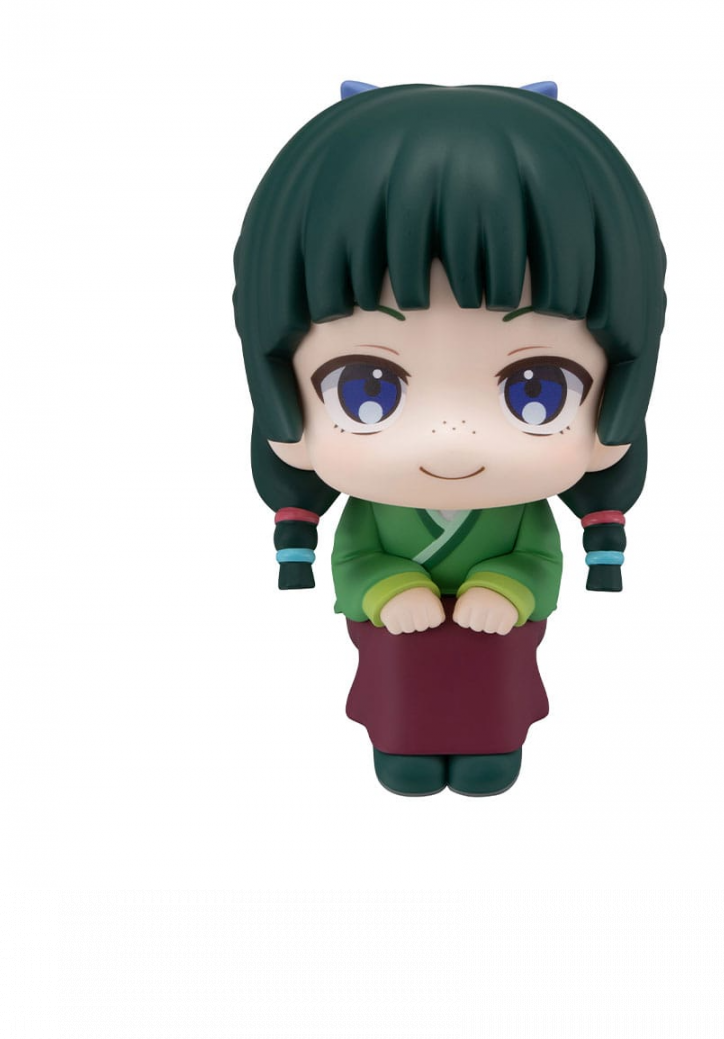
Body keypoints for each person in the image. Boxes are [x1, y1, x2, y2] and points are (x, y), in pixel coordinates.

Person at [233, 81, 666, 796]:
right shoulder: (375, 509)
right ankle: (402, 746)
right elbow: (355, 558)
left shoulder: (519, 510)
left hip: (497, 648)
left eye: (537, 389)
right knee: (401, 714)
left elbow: (539, 558)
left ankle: (491, 746)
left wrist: (509, 587)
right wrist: (387, 587)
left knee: (493, 718)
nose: (451, 438)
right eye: (366, 389)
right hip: (396, 647)